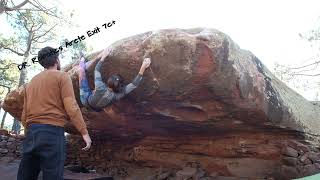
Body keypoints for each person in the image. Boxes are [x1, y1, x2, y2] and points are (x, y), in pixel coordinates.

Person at [18, 46, 92, 180]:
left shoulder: (31, 82)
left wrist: (28, 132)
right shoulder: (62, 76)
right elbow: (72, 106)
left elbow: (25, 113)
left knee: (25, 175)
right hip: (52, 132)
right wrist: (84, 132)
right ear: (57, 60)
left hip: (32, 132)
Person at [78, 49, 151, 111]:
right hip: (96, 108)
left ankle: (82, 59)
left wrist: (103, 57)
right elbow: (134, 85)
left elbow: (96, 70)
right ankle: (94, 93)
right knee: (96, 93)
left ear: (108, 81)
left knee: (81, 71)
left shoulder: (100, 86)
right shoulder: (117, 96)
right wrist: (143, 67)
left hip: (86, 99)